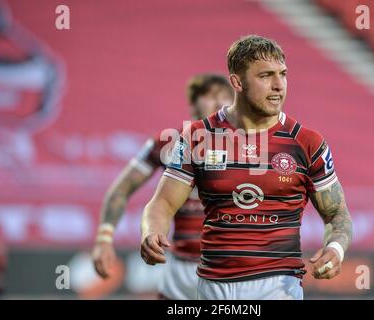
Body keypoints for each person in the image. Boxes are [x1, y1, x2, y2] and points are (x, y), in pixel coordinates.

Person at [140, 35, 353, 300]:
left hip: (279, 285)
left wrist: (335, 248)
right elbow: (161, 204)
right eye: (265, 76)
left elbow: (337, 214)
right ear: (237, 83)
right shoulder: (197, 136)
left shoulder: (307, 142)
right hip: (213, 286)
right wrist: (152, 231)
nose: (278, 86)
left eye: (283, 74)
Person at [91, 73, 234, 299]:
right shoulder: (167, 143)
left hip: (232, 269)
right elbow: (120, 190)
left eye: (227, 97)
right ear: (193, 104)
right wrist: (104, 239)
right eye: (211, 96)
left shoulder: (246, 147)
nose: (220, 103)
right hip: (180, 270)